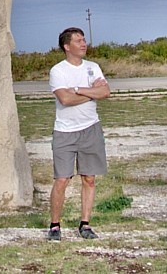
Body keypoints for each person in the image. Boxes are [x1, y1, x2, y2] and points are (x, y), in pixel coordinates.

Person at [48, 27, 111, 241]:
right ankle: (55, 226)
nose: (84, 44)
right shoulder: (58, 71)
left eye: (84, 40)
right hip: (65, 132)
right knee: (62, 179)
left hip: (90, 128)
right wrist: (91, 93)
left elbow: (105, 92)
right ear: (67, 46)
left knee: (89, 178)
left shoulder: (93, 67)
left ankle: (85, 224)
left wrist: (78, 90)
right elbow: (65, 99)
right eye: (78, 41)